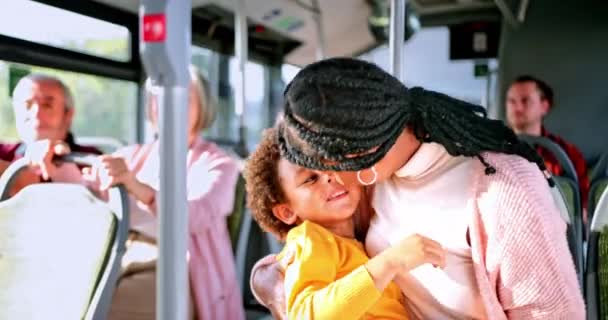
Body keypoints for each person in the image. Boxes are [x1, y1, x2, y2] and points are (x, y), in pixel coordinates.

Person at [251, 58, 585, 319]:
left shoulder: (504, 189)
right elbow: (318, 267)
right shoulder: (374, 183)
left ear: (358, 156)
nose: (331, 180)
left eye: (328, 169)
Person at [90, 66, 244, 320]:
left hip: (180, 263)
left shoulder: (219, 164)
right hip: (120, 251)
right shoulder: (133, 155)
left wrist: (138, 187)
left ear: (202, 107)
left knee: (107, 307)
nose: (169, 106)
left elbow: (196, 217)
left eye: (183, 98)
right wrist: (56, 160)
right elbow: (88, 188)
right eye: (160, 99)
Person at [244, 129, 446, 319]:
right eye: (311, 178)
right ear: (286, 212)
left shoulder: (350, 239)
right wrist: (390, 262)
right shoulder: (310, 239)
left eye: (332, 165)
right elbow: (305, 315)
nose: (331, 177)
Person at [0, 74, 100, 194]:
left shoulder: (90, 161)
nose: (35, 113)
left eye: (47, 105)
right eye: (27, 104)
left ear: (68, 114)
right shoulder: (4, 152)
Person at [506, 75, 589, 210]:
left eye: (525, 100)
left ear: (544, 106)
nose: (518, 108)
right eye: (511, 101)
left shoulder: (567, 154)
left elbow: (582, 210)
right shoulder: (491, 150)